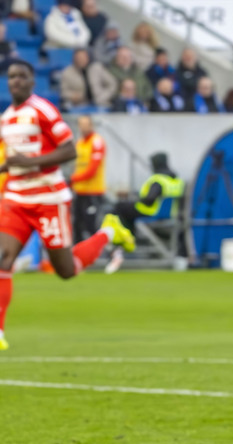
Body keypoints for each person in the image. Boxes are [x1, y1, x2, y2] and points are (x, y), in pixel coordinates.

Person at [0, 60, 134, 350]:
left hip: (49, 198)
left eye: (23, 76)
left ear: (33, 80)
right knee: (2, 258)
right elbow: (10, 160)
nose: (17, 81)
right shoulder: (7, 117)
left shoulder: (44, 110)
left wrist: (28, 162)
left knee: (66, 270)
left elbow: (69, 150)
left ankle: (109, 232)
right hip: (17, 198)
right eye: (12, 77)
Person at [108, 151, 183, 273]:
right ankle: (129, 238)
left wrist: (138, 199)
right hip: (169, 214)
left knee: (120, 207)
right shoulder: (177, 180)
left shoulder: (158, 179)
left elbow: (149, 199)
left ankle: (125, 241)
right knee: (126, 209)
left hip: (150, 212)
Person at [70, 114, 105, 243]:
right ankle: (78, 256)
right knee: (77, 225)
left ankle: (99, 253)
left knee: (92, 225)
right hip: (80, 191)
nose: (83, 128)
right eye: (81, 125)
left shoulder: (96, 141)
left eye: (86, 124)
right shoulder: (79, 143)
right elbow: (78, 166)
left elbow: (92, 170)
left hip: (93, 191)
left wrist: (73, 179)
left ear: (91, 125)